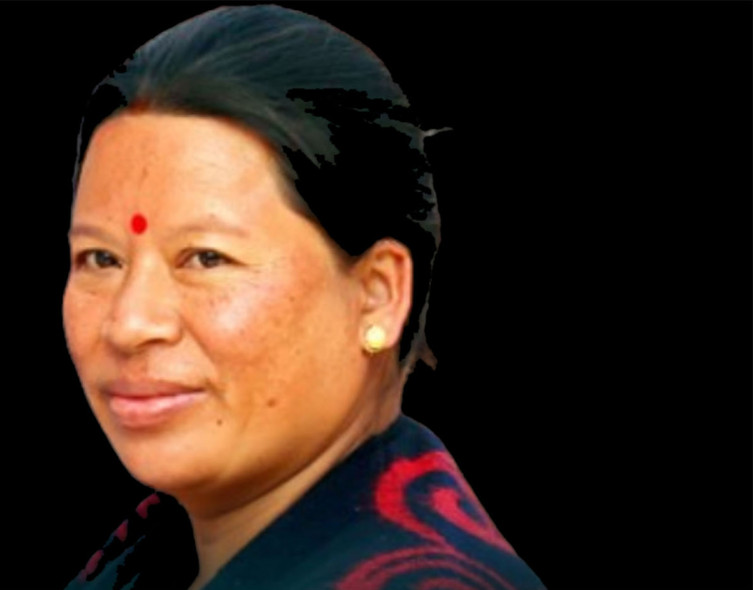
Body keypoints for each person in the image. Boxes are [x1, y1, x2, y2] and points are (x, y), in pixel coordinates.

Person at [61, 5, 545, 589]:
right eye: (101, 259)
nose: (130, 322)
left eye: (207, 258)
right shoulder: (151, 556)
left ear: (377, 294)